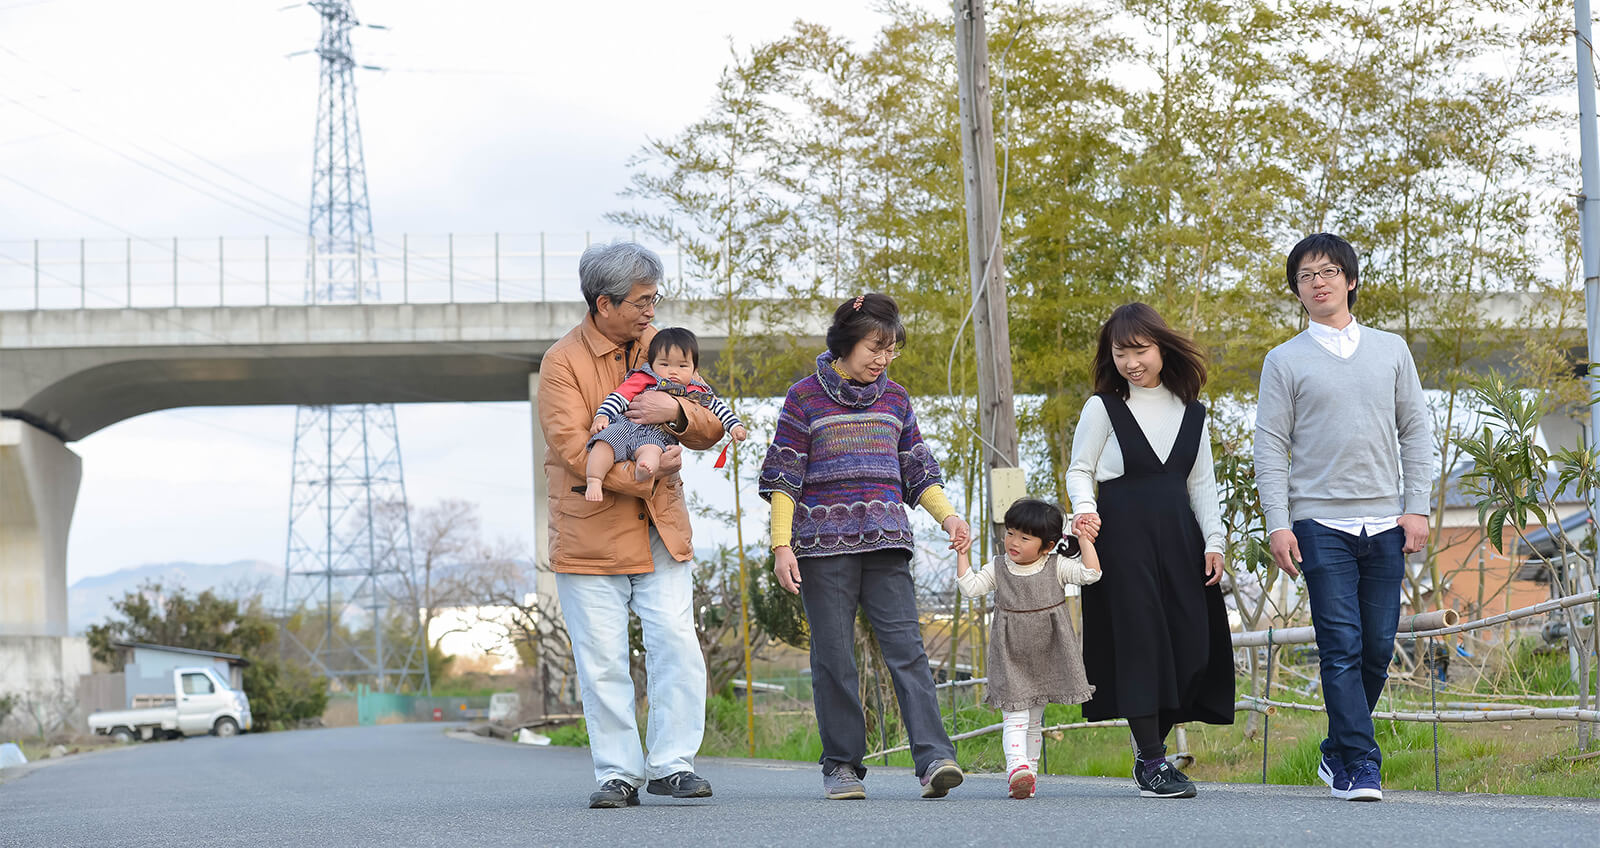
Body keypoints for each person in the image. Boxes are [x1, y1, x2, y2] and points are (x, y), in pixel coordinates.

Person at [759, 292, 972, 801]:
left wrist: (949, 517)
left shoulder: (895, 398)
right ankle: (842, 767)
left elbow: (917, 469)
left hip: (886, 544)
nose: (882, 357)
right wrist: (781, 545)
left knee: (909, 653)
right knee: (834, 658)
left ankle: (935, 758)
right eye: (875, 346)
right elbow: (785, 476)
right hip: (822, 550)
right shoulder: (804, 397)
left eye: (891, 348)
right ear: (847, 341)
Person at [538, 241, 725, 809]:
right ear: (604, 303)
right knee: (602, 659)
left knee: (677, 644)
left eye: (654, 298)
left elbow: (711, 422)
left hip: (660, 527)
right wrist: (645, 472)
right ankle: (618, 773)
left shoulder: (662, 347)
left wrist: (677, 414)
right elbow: (573, 447)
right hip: (590, 527)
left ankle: (671, 765)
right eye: (643, 300)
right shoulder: (560, 362)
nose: (652, 309)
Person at [1254, 232, 1433, 802]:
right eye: (1305, 277)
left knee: (1378, 646)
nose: (1318, 282)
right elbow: (1270, 446)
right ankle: (1361, 763)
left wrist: (1417, 507)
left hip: (1385, 520)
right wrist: (1277, 523)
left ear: (1350, 280)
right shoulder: (1283, 361)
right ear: (1297, 292)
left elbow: (1416, 432)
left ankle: (1335, 751)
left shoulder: (1391, 349)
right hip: (1317, 523)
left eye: (1328, 272)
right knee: (1341, 643)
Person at [1067, 302, 1234, 799]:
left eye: (1139, 350)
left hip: (1181, 540)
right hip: (1121, 539)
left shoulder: (1192, 411)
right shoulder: (1103, 407)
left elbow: (1202, 484)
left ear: (1162, 348)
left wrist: (1216, 540)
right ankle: (1153, 761)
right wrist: (1082, 508)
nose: (1130, 362)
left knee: (1191, 645)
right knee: (1139, 643)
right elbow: (1081, 467)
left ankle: (1148, 750)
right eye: (1120, 353)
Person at [955, 498, 1100, 800]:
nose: (1013, 542)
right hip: (1011, 656)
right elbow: (970, 587)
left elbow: (1091, 574)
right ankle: (1016, 767)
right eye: (1010, 532)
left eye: (1024, 537)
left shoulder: (1056, 566)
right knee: (1015, 715)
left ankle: (1027, 776)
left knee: (1034, 720)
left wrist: (1085, 539)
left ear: (1047, 546)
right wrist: (962, 555)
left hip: (1048, 654)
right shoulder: (998, 567)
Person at [585, 327, 747, 501]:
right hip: (625, 425)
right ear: (652, 364)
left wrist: (735, 426)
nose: (673, 371)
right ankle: (594, 479)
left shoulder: (694, 390)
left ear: (694, 369)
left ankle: (642, 471)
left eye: (682, 366)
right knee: (604, 442)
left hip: (655, 436)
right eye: (664, 364)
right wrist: (602, 416)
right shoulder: (643, 378)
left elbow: (718, 409)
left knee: (652, 453)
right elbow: (619, 397)